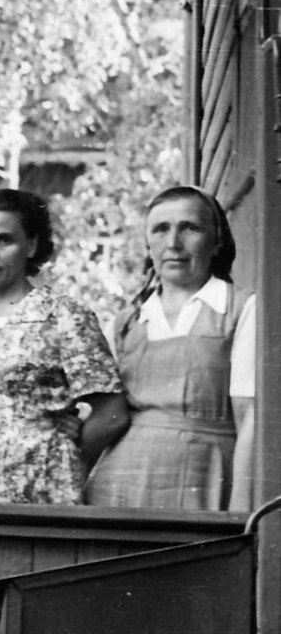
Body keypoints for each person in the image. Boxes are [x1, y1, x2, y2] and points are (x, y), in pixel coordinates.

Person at [0, 188, 127, 504]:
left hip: (40, 494)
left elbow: (112, 414)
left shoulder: (62, 315)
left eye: (3, 240)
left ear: (32, 245)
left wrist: (67, 457)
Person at [86, 186, 261, 512]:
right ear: (148, 243)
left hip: (206, 478)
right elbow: (104, 415)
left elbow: (249, 416)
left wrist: (242, 510)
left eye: (189, 228)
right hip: (119, 486)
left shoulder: (241, 309)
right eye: (161, 229)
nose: (173, 243)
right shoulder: (125, 324)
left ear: (217, 241)